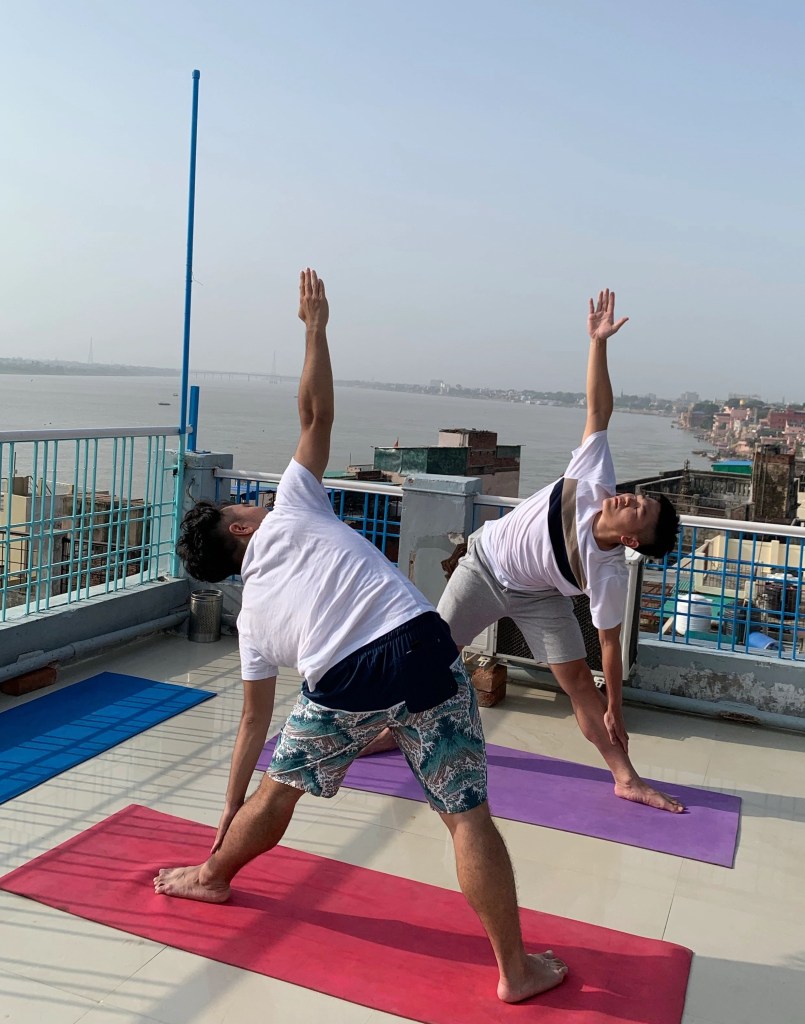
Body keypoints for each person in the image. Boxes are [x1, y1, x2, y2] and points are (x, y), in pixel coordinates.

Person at [155, 269, 568, 1005]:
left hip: (343, 681)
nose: (251, 501)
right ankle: (515, 970)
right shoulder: (290, 505)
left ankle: (213, 876)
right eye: (239, 506)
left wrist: (231, 806)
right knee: (466, 816)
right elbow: (316, 413)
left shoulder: (251, 622)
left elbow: (252, 722)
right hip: (423, 647)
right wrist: (315, 328)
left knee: (278, 794)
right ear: (240, 529)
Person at [438, 289, 683, 812]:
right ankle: (389, 731)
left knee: (579, 687)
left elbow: (609, 645)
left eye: (637, 510)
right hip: (484, 565)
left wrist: (616, 705)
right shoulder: (593, 477)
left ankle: (625, 777)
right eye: (637, 497)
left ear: (632, 539)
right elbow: (599, 408)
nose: (628, 499)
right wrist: (598, 343)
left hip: (539, 596)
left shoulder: (609, 572)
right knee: (431, 655)